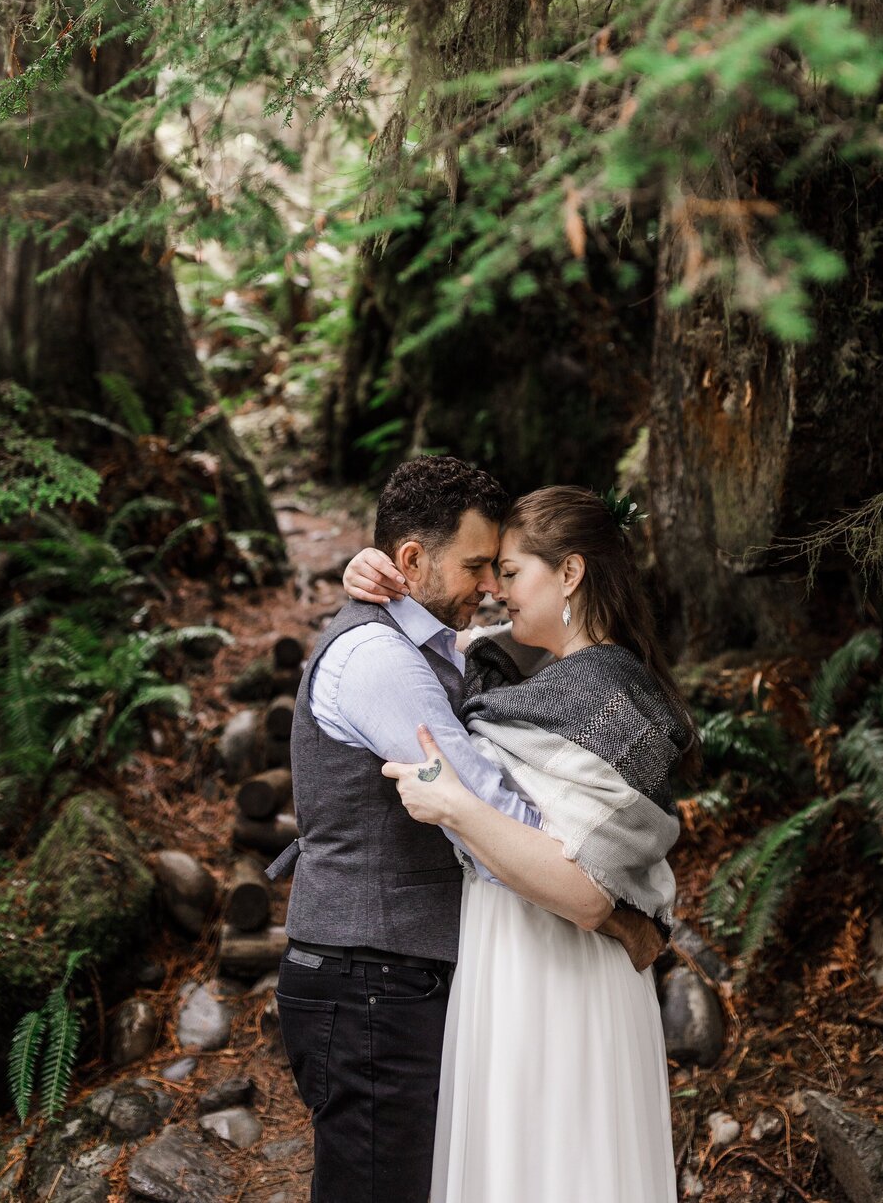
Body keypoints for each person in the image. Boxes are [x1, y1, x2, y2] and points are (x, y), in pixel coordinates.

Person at [269, 457, 662, 1203]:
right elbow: (487, 806)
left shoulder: (430, 642)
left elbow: (493, 651)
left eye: (499, 568)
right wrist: (608, 901)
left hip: (395, 977)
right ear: (413, 560)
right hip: (370, 981)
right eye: (477, 565)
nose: (490, 585)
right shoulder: (378, 658)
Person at [354, 484, 697, 1203]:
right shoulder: (528, 673)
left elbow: (585, 889)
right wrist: (369, 573)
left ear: (568, 573)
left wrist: (455, 808)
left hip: (564, 977)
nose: (494, 591)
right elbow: (442, 648)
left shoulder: (611, 696)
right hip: (512, 960)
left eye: (509, 572)